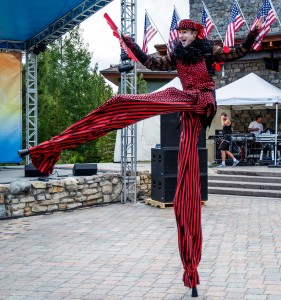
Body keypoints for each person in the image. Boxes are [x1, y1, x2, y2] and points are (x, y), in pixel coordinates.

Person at [18, 17, 264, 295]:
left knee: (187, 168)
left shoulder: (209, 51)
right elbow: (150, 63)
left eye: (185, 32)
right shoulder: (177, 56)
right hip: (183, 102)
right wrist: (130, 44)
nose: (181, 36)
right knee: (121, 103)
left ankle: (192, 266)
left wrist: (254, 30)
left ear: (196, 33)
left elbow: (240, 51)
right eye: (179, 32)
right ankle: (49, 147)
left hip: (201, 101)